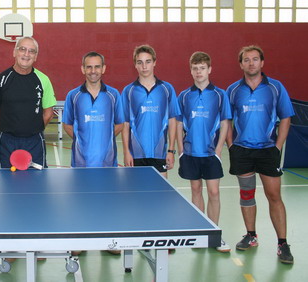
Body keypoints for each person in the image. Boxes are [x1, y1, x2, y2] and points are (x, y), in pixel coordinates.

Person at [226, 45, 295, 264]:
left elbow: (286, 117)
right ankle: (251, 235)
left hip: (268, 150)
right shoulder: (233, 90)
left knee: (274, 196)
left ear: (262, 63)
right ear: (241, 64)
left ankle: (282, 243)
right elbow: (227, 120)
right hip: (242, 151)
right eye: (246, 60)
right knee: (247, 195)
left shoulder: (275, 87)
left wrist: (278, 146)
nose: (251, 63)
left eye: (255, 59)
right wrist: (231, 146)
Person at [176, 51, 232, 252]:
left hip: (211, 153)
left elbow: (225, 122)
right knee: (196, 190)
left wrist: (218, 150)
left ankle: (214, 235)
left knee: (214, 192)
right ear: (191, 70)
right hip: (190, 153)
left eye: (202, 68)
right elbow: (179, 123)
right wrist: (181, 150)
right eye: (195, 68)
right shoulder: (184, 96)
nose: (198, 72)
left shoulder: (219, 94)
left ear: (209, 69)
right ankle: (200, 233)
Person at [0, 36, 56, 168]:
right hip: (7, 142)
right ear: (14, 52)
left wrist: (33, 129)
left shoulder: (43, 80)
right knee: (5, 182)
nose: (26, 54)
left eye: (32, 51)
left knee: (38, 184)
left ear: (36, 56)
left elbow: (48, 113)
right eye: (22, 49)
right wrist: (8, 131)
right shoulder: (1, 80)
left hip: (34, 141)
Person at [121, 45, 180, 178]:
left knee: (160, 195)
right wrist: (126, 152)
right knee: (137, 196)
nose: (144, 66)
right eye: (139, 62)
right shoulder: (128, 91)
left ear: (154, 62)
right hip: (136, 154)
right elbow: (125, 124)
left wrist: (171, 150)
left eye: (148, 61)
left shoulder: (167, 89)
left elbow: (172, 121)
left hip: (160, 153)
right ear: (135, 65)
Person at [63, 51, 124, 167]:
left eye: (97, 67)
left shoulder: (114, 95)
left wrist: (105, 138)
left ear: (103, 69)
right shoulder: (73, 95)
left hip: (108, 163)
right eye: (89, 67)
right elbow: (67, 125)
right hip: (80, 162)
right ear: (83, 69)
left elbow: (120, 124)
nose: (93, 71)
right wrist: (81, 140)